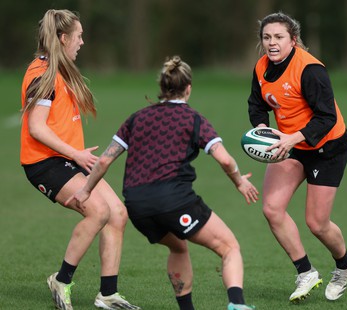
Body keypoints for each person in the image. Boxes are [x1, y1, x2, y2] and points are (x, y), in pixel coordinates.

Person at [66, 56, 258, 310]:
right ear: (188, 88)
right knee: (230, 247)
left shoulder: (137, 118)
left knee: (178, 247)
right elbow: (224, 160)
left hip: (137, 206)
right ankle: (237, 304)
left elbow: (102, 162)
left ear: (163, 87)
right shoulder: (193, 119)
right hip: (174, 201)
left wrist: (85, 189)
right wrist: (239, 182)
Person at [20, 9, 140, 310]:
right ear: (63, 38)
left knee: (117, 213)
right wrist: (75, 153)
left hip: (67, 159)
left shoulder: (58, 69)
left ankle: (108, 294)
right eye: (79, 36)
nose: (82, 42)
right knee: (98, 211)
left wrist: (74, 155)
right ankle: (61, 280)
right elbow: (36, 128)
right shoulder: (43, 75)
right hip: (44, 163)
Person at [247, 12, 347, 302]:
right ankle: (305, 272)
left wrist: (292, 137)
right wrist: (261, 129)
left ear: (293, 40)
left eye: (279, 37)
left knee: (317, 223)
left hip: (327, 148)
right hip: (290, 145)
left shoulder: (310, 70)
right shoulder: (261, 67)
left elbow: (326, 117)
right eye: (267, 37)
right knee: (272, 209)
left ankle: (343, 264)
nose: (272, 43)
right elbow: (256, 104)